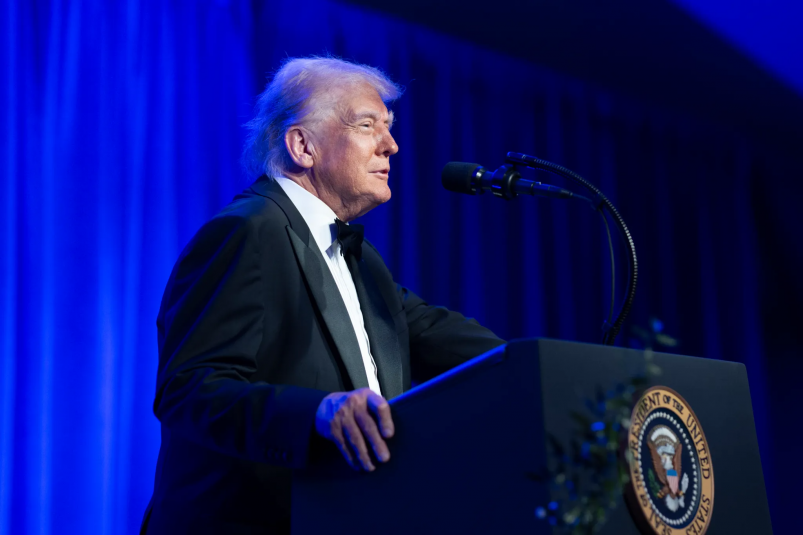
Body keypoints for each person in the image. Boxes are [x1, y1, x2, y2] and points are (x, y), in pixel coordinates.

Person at [140, 57, 505, 534]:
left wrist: (551, 368)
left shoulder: (361, 259)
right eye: (367, 125)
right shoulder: (246, 231)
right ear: (302, 146)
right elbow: (188, 390)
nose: (391, 145)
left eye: (389, 127)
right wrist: (316, 413)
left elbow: (440, 335)